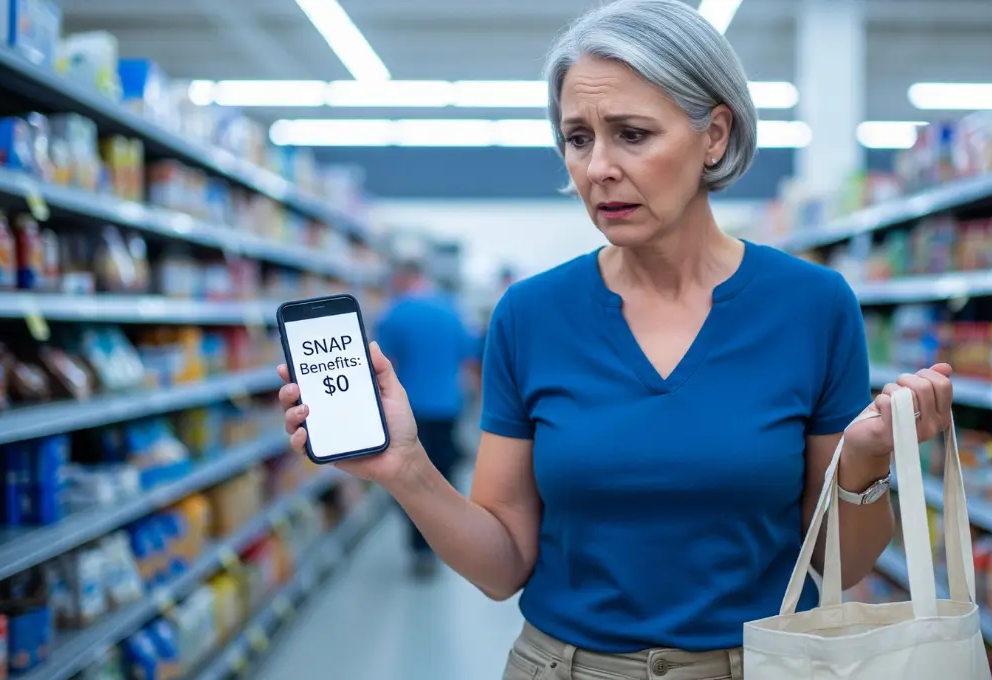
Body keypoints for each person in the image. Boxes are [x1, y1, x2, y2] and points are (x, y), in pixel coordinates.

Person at [277, 1, 955, 677]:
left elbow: (850, 562)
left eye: (632, 134)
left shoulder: (811, 305)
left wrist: (864, 468)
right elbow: (502, 565)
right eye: (578, 138)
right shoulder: (530, 315)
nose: (598, 167)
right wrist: (407, 468)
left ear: (713, 135)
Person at [372, 258, 473, 579]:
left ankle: (421, 550)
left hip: (410, 410)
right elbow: (467, 354)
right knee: (443, 473)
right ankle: (453, 542)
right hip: (447, 405)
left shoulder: (394, 314)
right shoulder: (451, 309)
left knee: (411, 480)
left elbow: (382, 365)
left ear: (404, 277)